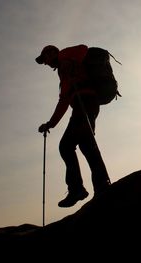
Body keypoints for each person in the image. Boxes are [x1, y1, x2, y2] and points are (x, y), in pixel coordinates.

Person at [35, 44, 110, 208]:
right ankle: (102, 186)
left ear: (52, 53)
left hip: (86, 102)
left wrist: (66, 59)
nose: (46, 64)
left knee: (66, 146)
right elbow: (63, 101)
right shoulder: (63, 74)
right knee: (86, 145)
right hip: (83, 104)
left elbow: (84, 48)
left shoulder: (64, 56)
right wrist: (50, 124)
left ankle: (77, 189)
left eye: (45, 59)